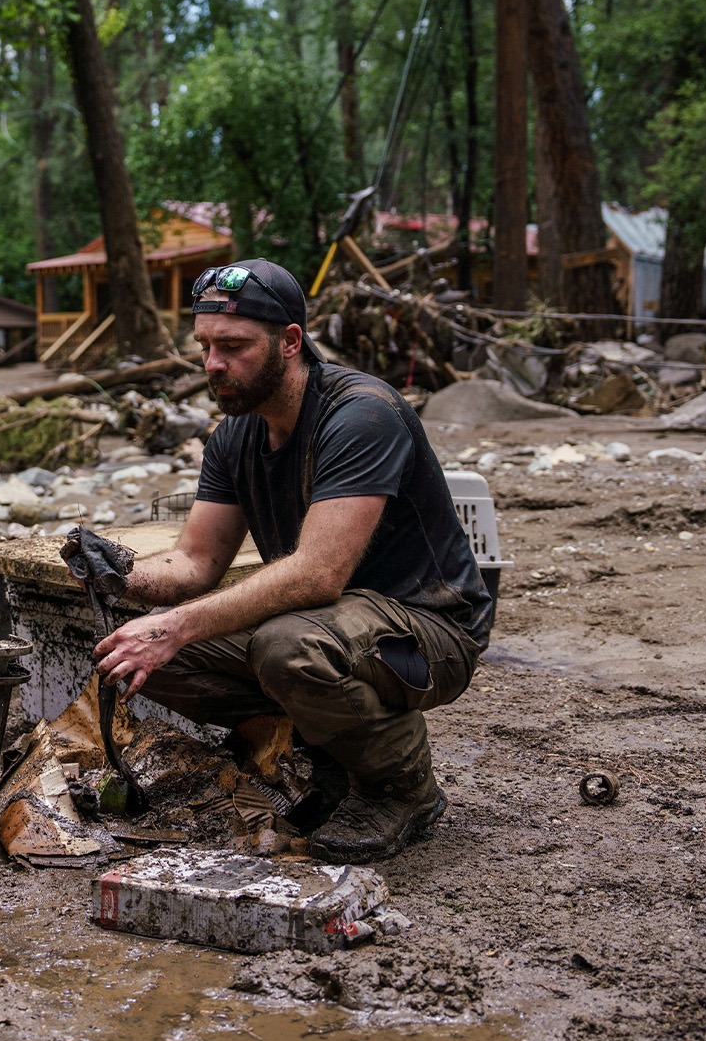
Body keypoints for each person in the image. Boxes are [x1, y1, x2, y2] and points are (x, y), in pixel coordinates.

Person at [92, 257, 492, 863]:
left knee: (285, 646)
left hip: (429, 628)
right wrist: (120, 571)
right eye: (204, 346)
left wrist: (173, 625)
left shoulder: (360, 414)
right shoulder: (236, 435)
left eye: (233, 346)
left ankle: (400, 787)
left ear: (289, 341)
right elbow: (195, 564)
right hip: (332, 622)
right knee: (133, 655)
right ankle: (331, 753)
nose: (213, 364)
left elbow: (317, 573)